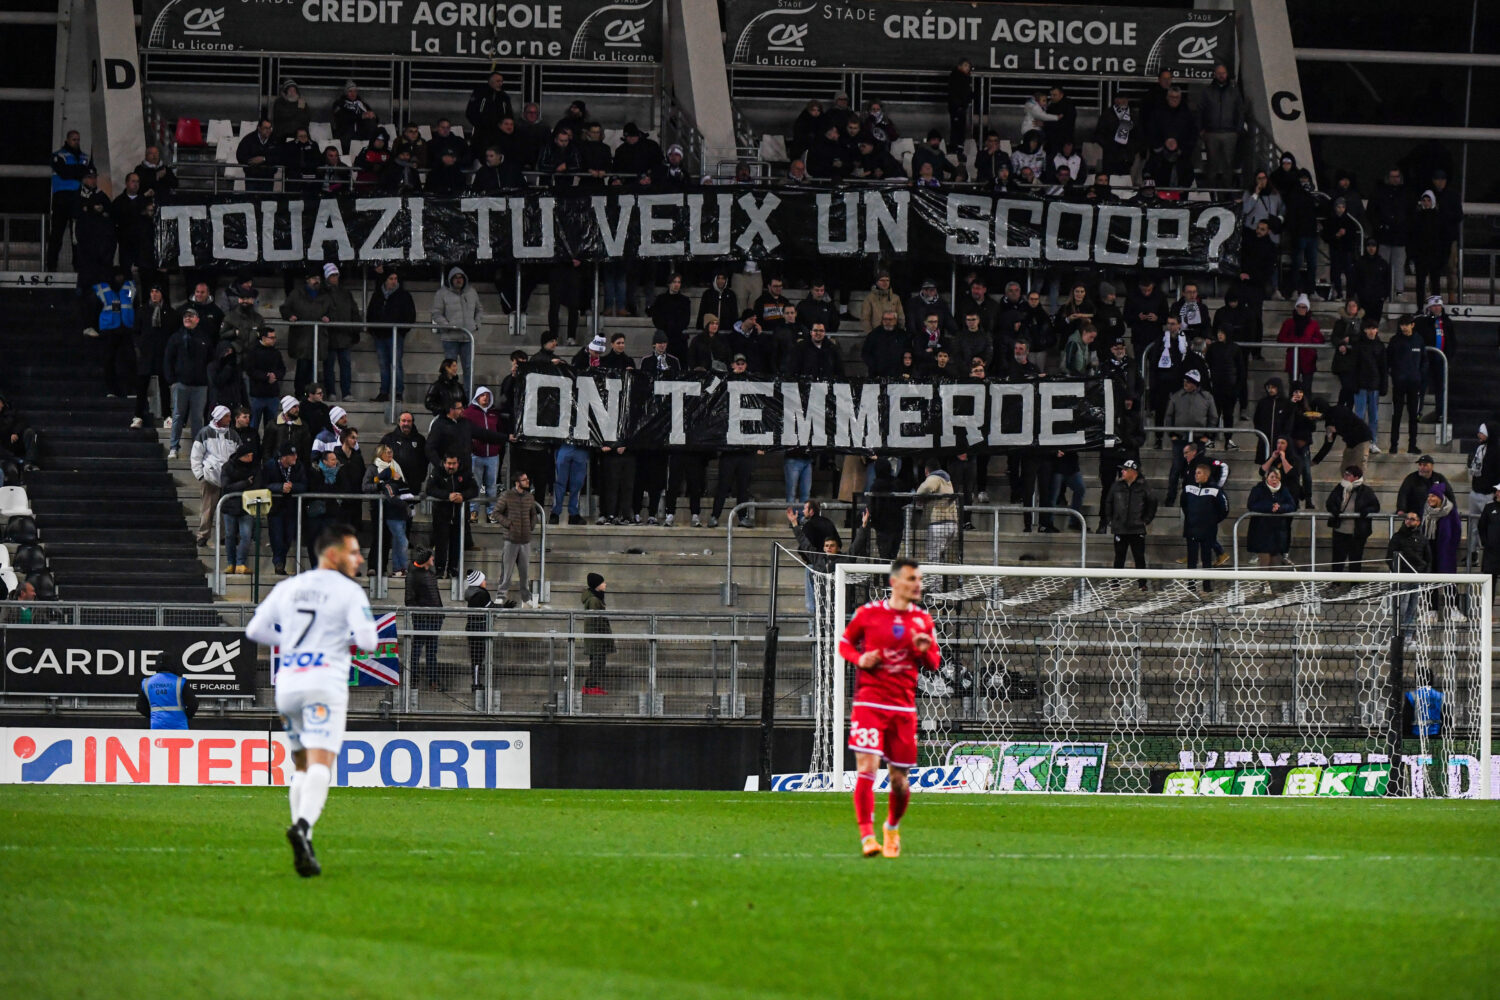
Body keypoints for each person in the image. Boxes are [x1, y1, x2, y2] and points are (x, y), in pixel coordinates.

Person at [245, 523, 379, 877]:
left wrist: (289, 643)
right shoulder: (349, 592)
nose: (359, 558)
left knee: (301, 765)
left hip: (287, 684)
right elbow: (368, 642)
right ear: (333, 554)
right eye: (353, 551)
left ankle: (302, 837)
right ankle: (303, 826)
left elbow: (254, 630)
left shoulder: (288, 587)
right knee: (321, 763)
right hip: (324, 683)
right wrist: (337, 638)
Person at [838, 558, 940, 858]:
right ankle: (867, 837)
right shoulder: (868, 614)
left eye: (919, 579)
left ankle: (892, 828)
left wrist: (924, 651)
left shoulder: (923, 621)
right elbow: (844, 643)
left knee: (899, 781)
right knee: (866, 769)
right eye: (912, 578)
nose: (917, 584)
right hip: (869, 703)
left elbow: (934, 663)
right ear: (895, 582)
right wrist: (860, 659)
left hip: (903, 708)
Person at [362, 444, 412, 577]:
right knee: (379, 537)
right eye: (387, 452)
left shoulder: (396, 467)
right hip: (378, 508)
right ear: (380, 454)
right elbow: (365, 486)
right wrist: (379, 485)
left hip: (394, 510)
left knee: (391, 539)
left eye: (391, 452)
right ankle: (373, 566)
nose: (390, 455)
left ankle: (384, 567)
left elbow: (403, 484)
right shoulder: (373, 468)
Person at [367, 270, 416, 402]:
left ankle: (398, 392)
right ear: (385, 280)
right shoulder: (377, 295)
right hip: (380, 335)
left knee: (396, 364)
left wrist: (401, 331)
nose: (394, 281)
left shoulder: (404, 296)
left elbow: (410, 316)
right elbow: (370, 313)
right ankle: (384, 392)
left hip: (395, 335)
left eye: (395, 278)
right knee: (383, 365)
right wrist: (373, 330)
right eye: (391, 278)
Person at [425, 453, 477, 578]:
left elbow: (474, 489)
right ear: (444, 463)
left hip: (459, 515)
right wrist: (447, 496)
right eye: (449, 463)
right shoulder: (437, 472)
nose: (451, 466)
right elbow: (430, 489)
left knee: (456, 543)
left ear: (458, 463)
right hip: (441, 515)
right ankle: (439, 569)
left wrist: (462, 496)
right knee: (441, 544)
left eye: (454, 464)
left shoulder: (465, 473)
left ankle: (453, 569)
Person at [1102, 459, 1156, 577]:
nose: (1122, 472)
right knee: (1119, 556)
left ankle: (1142, 584)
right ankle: (1115, 584)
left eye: (1125, 470)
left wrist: (1146, 520)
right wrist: (1110, 519)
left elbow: (1152, 503)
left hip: (1137, 528)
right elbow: (1108, 502)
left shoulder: (1144, 486)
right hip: (1120, 527)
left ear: (1133, 472)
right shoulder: (1116, 485)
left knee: (1139, 557)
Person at [1180, 462, 1228, 588]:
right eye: (1195, 472)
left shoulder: (1215, 490)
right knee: (1191, 560)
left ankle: (1207, 586)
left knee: (1207, 559)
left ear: (1206, 475)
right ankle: (1191, 585)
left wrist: (1211, 520)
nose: (1195, 475)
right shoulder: (1188, 488)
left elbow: (1224, 510)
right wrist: (1191, 518)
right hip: (1191, 529)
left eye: (1198, 473)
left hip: (1208, 530)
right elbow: (1184, 504)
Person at [493, 472, 537, 608]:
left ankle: (526, 598)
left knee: (524, 572)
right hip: (511, 540)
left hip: (525, 540)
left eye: (527, 479)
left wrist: (531, 526)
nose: (527, 481)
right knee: (506, 571)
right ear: (517, 482)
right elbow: (495, 513)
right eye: (524, 480)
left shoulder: (529, 497)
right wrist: (508, 524)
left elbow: (533, 514)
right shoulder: (506, 495)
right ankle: (501, 595)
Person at [1326, 465, 1380, 572]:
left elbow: (1375, 507)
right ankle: (1335, 583)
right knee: (1338, 559)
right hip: (1340, 530)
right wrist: (1335, 510)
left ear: (1355, 477)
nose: (1345, 476)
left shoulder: (1366, 491)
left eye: (1348, 474)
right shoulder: (1339, 488)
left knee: (1355, 559)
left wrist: (1365, 511)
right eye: (1345, 474)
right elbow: (1329, 503)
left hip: (1357, 532)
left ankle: (1354, 584)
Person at [432, 266, 480, 385]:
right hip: (450, 338)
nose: (458, 280)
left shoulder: (471, 292)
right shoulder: (442, 293)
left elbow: (479, 309)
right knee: (449, 370)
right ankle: (450, 396)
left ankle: (468, 397)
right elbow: (436, 313)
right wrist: (447, 326)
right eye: (456, 278)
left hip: (468, 338)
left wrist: (476, 324)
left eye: (461, 278)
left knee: (469, 368)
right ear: (450, 279)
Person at [405, 546, 444, 688]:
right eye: (431, 557)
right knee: (417, 650)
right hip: (422, 619)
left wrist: (440, 613)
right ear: (426, 559)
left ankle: (433, 680)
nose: (433, 559)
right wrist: (420, 613)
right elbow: (409, 600)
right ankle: (413, 679)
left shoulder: (430, 572)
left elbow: (436, 595)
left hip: (435, 619)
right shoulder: (412, 575)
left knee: (432, 651)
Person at [463, 386, 503, 524]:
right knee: (475, 484)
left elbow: (498, 432)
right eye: (482, 395)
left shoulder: (494, 414)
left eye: (487, 395)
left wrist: (497, 446)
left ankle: (492, 512)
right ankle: (473, 511)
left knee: (491, 485)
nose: (485, 398)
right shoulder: (469, 413)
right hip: (476, 455)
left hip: (492, 455)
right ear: (477, 397)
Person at [1247, 467, 1298, 568]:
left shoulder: (1284, 490)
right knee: (1264, 562)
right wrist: (1270, 507)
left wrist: (1280, 507)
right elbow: (1251, 505)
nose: (1275, 479)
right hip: (1262, 533)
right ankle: (1264, 583)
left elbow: (1292, 506)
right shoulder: (1258, 489)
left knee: (1275, 563)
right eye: (1272, 477)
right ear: (1267, 478)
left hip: (1278, 533)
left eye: (1277, 477)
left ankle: (1273, 583)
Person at [1416, 296, 1452, 424]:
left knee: (1440, 388)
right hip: (1426, 359)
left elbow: (1452, 341)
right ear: (1429, 308)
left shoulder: (1447, 322)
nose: (1437, 308)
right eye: (1434, 306)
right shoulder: (1422, 322)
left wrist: (1449, 356)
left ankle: (1440, 413)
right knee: (1421, 386)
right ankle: (1418, 412)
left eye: (1439, 306)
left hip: (1441, 360)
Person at [1277, 294, 1323, 382]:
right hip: (1293, 358)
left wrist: (1309, 341)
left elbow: (1320, 339)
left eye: (1304, 307)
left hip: (1308, 359)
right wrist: (1294, 341)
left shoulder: (1313, 324)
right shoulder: (1289, 322)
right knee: (1293, 386)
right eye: (1299, 307)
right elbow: (1281, 338)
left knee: (1307, 387)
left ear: (1307, 309)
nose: (1301, 309)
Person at [581, 572, 613, 695]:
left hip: (597, 638)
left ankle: (591, 686)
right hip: (597, 639)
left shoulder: (595, 598)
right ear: (597, 585)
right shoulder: (594, 600)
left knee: (596, 663)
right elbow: (597, 620)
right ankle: (591, 687)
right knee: (597, 664)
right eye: (603, 582)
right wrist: (604, 637)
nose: (605, 584)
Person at [1396, 454, 1450, 519]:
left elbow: (1449, 494)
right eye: (1420, 465)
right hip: (1415, 515)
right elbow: (1403, 494)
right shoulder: (1411, 478)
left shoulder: (1439, 478)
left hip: (1435, 514)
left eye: (1425, 465)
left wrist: (1452, 509)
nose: (1421, 467)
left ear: (1432, 466)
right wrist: (1401, 509)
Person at [1478, 485, 1500, 590]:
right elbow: (1481, 526)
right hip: (1492, 552)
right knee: (1490, 584)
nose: (1498, 493)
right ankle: (1488, 606)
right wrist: (1486, 542)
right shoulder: (1489, 507)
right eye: (1497, 491)